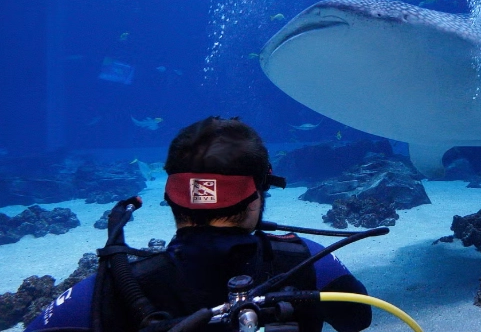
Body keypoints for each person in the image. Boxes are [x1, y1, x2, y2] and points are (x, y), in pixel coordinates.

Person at [26, 116, 372, 332]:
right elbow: (358, 320)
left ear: (170, 197)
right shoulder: (307, 258)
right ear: (257, 196)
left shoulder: (111, 286)